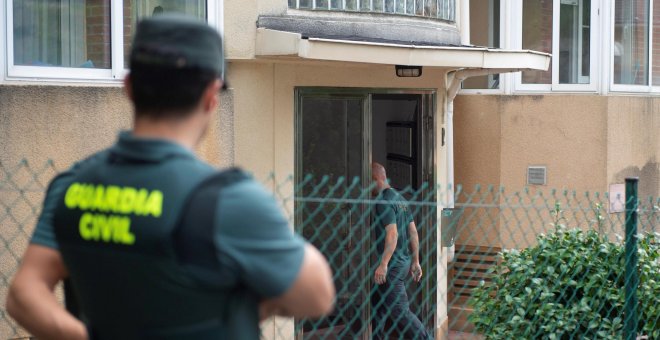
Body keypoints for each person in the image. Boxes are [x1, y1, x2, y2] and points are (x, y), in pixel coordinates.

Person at [6, 14, 334, 340]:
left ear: (130, 87)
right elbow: (317, 294)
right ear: (211, 96)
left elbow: (24, 296)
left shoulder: (72, 187)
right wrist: (243, 304)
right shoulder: (229, 201)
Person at [370, 162, 432, 340]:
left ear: (375, 179)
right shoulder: (400, 199)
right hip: (403, 262)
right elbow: (413, 232)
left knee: (400, 312)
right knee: (377, 304)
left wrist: (383, 264)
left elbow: (393, 234)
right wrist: (415, 261)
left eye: (368, 182)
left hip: (393, 266)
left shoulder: (383, 201)